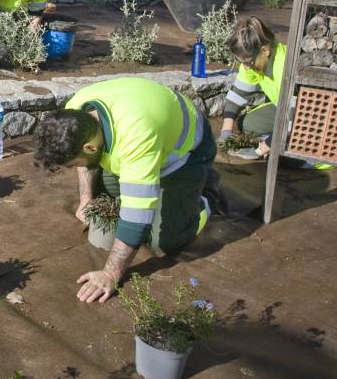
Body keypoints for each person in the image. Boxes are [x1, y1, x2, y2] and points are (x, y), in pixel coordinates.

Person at [33, 76, 215, 303]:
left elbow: (137, 217)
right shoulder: (76, 111)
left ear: (90, 147)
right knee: (108, 198)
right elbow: (87, 161)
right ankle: (153, 188)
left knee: (164, 241)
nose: (75, 169)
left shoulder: (137, 135)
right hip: (141, 138)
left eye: (73, 164)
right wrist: (86, 196)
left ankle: (203, 200)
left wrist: (110, 273)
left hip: (185, 153)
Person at [218, 17, 327, 169]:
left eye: (248, 62)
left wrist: (260, 149)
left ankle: (315, 159)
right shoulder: (252, 62)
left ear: (265, 50)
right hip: (284, 110)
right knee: (247, 124)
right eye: (240, 62)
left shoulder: (287, 68)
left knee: (281, 158)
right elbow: (237, 95)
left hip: (311, 121)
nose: (246, 67)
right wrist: (226, 130)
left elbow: (295, 120)